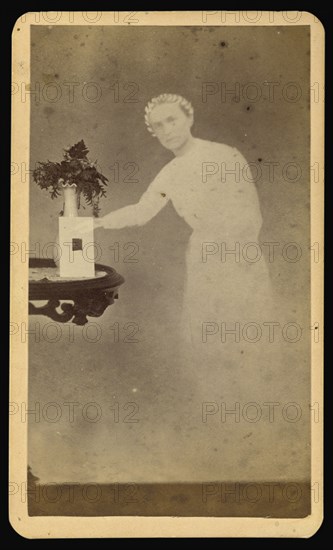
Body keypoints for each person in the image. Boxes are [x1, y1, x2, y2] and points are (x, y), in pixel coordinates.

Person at [96, 94, 274, 385]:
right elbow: (142, 211)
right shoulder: (170, 173)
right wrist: (100, 223)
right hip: (203, 259)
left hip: (240, 256)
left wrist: (231, 252)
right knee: (207, 339)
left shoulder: (224, 155)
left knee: (247, 335)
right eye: (158, 126)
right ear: (154, 133)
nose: (167, 130)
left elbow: (250, 213)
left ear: (189, 119)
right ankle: (214, 410)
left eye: (172, 120)